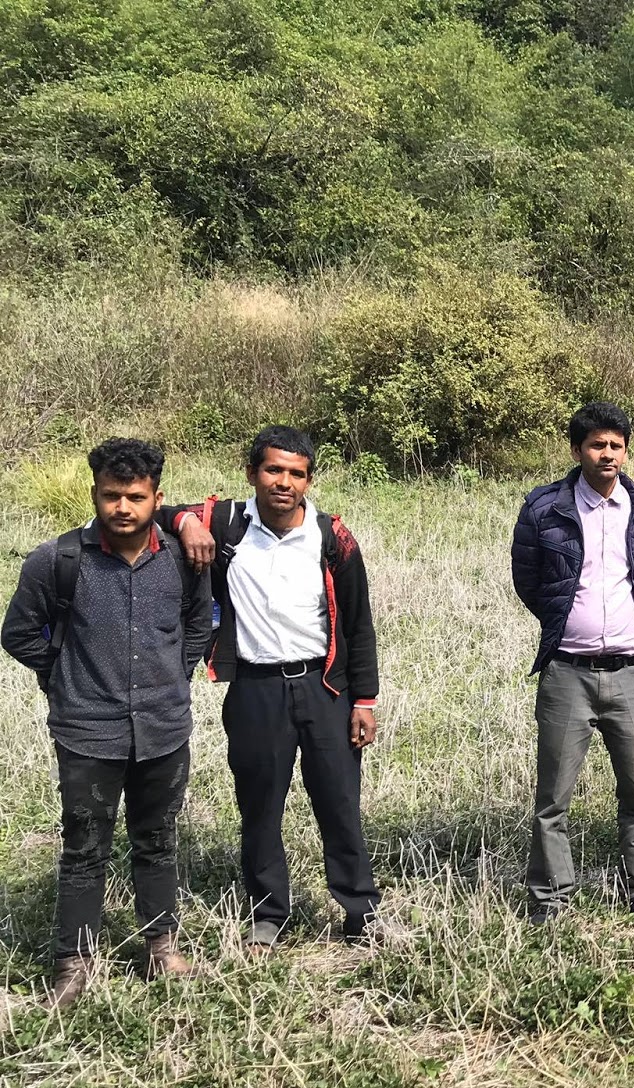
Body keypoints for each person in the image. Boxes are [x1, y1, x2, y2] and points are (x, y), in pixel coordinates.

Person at [3, 439, 211, 1007]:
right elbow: (17, 633)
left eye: (136, 497)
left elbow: (199, 625)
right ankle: (73, 964)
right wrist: (64, 675)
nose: (123, 507)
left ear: (157, 499)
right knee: (84, 848)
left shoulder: (183, 559)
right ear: (94, 494)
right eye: (111, 496)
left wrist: (175, 674)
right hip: (87, 732)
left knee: (158, 841)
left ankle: (161, 947)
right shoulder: (58, 560)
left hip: (164, 729)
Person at [162, 426, 381, 953]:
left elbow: (358, 624)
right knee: (259, 807)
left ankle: (360, 911)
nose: (284, 482)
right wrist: (186, 522)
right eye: (273, 470)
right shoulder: (226, 523)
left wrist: (365, 700)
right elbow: (158, 510)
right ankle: (269, 916)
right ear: (252, 473)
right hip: (255, 689)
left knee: (340, 804)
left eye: (296, 474)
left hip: (325, 688)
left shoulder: (332, 537)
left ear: (309, 480)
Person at [511, 402, 634, 924]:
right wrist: (567, 619)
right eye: (597, 445)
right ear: (577, 450)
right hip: (567, 673)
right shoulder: (544, 509)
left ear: (626, 451)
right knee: (553, 797)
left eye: (616, 445)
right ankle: (550, 896)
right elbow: (528, 580)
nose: (608, 454)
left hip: (631, 672)